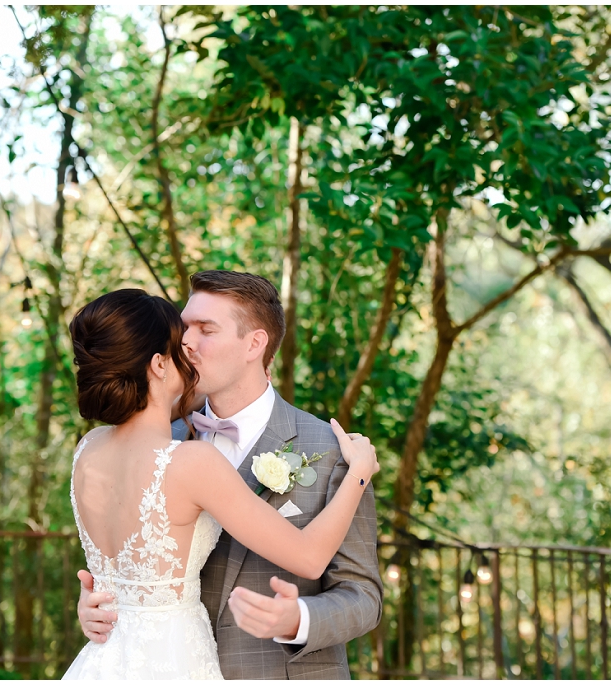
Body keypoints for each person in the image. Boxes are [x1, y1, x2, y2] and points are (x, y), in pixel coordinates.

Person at [63, 288, 379, 679]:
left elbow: (363, 595)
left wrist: (300, 619)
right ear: (159, 364)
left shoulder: (89, 447)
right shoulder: (183, 452)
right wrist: (360, 473)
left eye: (204, 329)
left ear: (255, 344)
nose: (190, 343)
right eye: (182, 333)